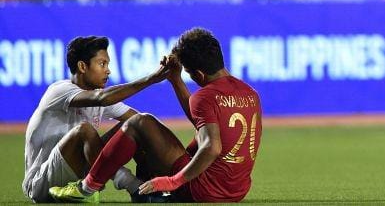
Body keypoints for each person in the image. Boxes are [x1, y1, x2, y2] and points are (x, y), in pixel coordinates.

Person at [50, 28, 263, 203]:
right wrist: (176, 79)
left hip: (203, 190)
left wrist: (174, 181)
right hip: (236, 191)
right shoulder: (249, 93)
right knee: (180, 137)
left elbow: (212, 147)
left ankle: (86, 189)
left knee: (139, 123)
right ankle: (148, 195)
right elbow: (202, 119)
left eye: (188, 74)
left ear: (198, 74)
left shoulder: (205, 96)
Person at [23, 35, 168, 202]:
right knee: (85, 131)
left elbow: (142, 123)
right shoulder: (59, 91)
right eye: (102, 64)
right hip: (41, 184)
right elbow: (103, 98)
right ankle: (135, 187)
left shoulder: (99, 95)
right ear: (82, 66)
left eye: (108, 64)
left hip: (77, 174)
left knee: (137, 126)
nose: (108, 70)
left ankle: (152, 183)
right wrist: (151, 79)